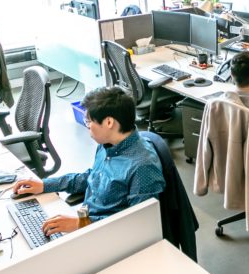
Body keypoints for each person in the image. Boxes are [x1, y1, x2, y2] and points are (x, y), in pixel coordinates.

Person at [11, 87, 165, 236]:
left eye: (88, 121)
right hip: (88, 223)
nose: (87, 127)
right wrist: (45, 185)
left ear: (109, 122)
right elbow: (92, 177)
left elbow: (138, 224)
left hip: (108, 235)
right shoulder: (107, 144)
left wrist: (81, 224)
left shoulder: (143, 167)